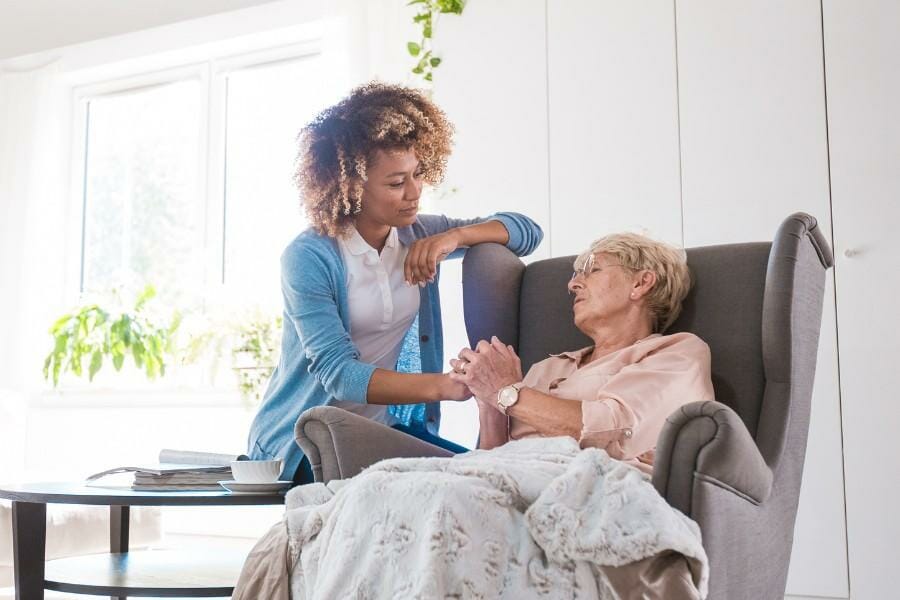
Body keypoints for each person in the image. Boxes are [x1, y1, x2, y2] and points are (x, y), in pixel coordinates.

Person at [247, 82, 544, 484]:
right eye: (396, 182)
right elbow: (340, 374)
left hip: (379, 434)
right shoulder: (309, 257)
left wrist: (454, 238)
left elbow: (527, 231)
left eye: (418, 174)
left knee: (482, 477)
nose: (415, 192)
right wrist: (445, 386)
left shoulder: (417, 233)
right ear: (349, 187)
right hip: (306, 443)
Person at [449, 232, 714, 474]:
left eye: (592, 270)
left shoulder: (676, 354)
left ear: (641, 283)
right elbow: (488, 464)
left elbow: (613, 431)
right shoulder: (547, 368)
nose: (572, 284)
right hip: (511, 484)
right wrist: (488, 402)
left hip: (595, 489)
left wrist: (505, 392)